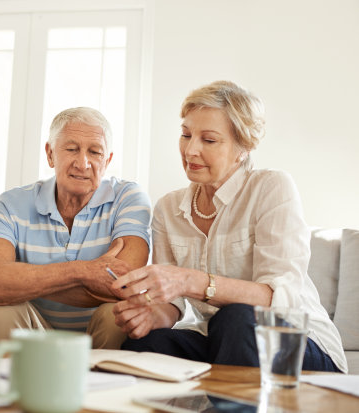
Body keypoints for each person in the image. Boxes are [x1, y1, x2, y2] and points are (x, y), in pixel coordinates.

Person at [111, 80, 347, 373]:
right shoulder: (168, 208)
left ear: (243, 147)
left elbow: (279, 297)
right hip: (223, 341)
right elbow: (177, 303)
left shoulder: (271, 187)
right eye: (186, 135)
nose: (191, 150)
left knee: (235, 318)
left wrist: (189, 280)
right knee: (146, 345)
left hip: (296, 343)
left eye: (208, 140)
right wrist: (153, 315)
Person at [0, 107, 151, 349]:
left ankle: (102, 387)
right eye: (72, 149)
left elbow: (125, 285)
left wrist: (18, 282)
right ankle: (11, 387)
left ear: (107, 161)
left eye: (95, 152)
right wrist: (83, 271)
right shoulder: (10, 204)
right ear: (50, 154)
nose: (83, 163)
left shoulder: (128, 197)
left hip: (97, 334)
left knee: (116, 313)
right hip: (35, 331)